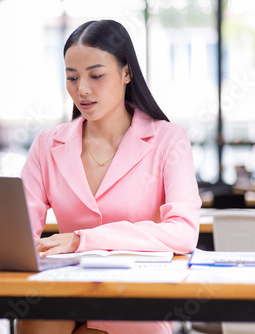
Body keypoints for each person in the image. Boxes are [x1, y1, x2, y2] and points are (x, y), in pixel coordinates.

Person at [17, 19, 201, 334]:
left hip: (136, 295)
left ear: (127, 72)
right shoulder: (48, 144)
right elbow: (18, 231)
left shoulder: (169, 140)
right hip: (65, 290)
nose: (82, 89)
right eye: (72, 77)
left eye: (96, 75)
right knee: (35, 320)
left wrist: (83, 240)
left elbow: (183, 232)